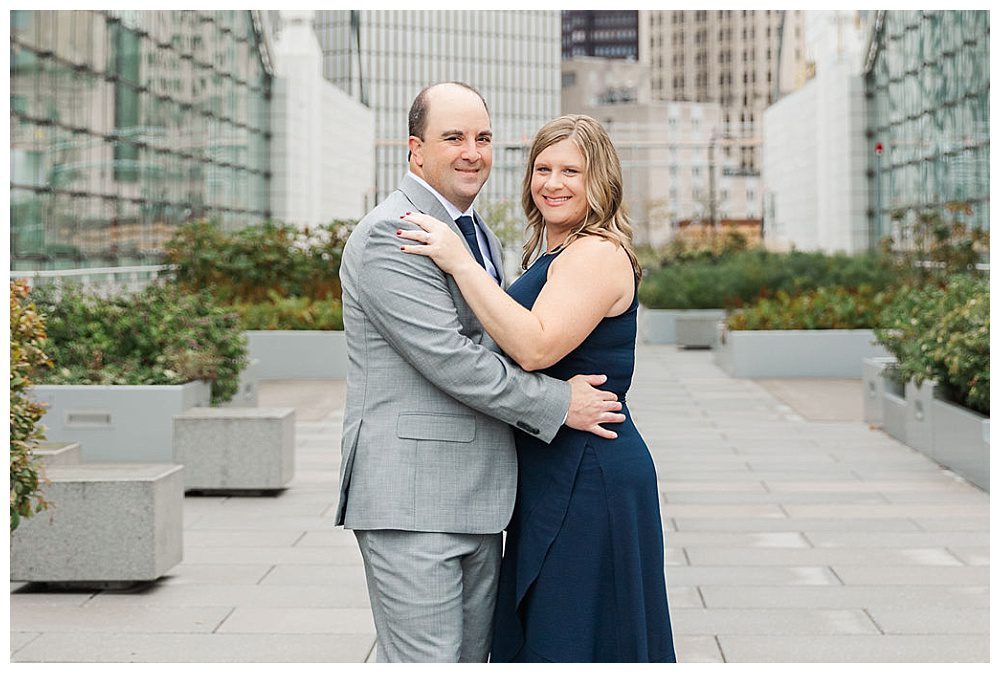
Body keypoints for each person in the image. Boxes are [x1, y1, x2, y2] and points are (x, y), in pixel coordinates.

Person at [334, 83, 626, 663]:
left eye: (483, 138)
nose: (472, 152)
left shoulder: (477, 237)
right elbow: (452, 359)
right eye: (454, 138)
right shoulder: (395, 233)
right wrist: (557, 403)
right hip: (414, 498)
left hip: (478, 495)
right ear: (415, 150)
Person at [397, 114, 677, 662]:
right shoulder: (551, 251)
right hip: (553, 466)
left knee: (573, 638)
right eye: (542, 169)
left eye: (572, 170)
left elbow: (536, 347)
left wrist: (457, 260)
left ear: (601, 181)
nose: (553, 183)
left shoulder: (595, 253)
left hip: (589, 473)